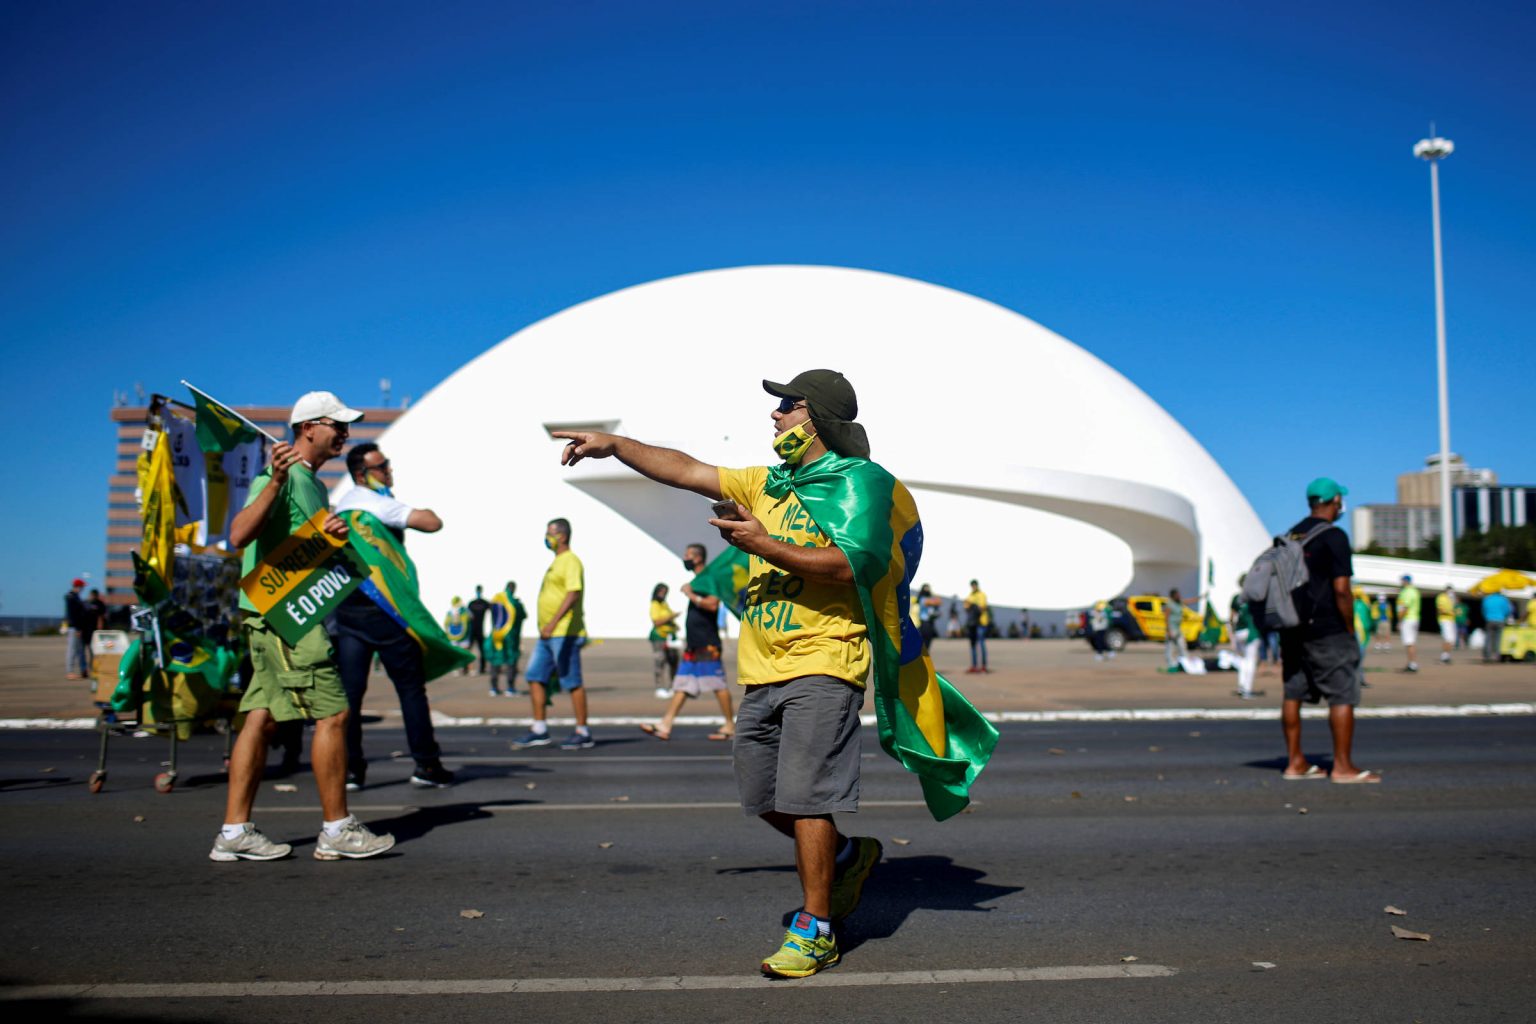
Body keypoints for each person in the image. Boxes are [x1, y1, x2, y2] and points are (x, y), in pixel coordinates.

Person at [550, 369, 894, 979]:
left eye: (786, 406)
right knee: (762, 794)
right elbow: (686, 469)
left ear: (816, 417)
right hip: (761, 668)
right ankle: (845, 855)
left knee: (807, 797)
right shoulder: (769, 483)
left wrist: (766, 547)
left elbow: (852, 566)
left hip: (825, 657)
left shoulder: (859, 483)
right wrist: (617, 447)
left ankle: (816, 930)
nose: (775, 415)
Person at [210, 391, 395, 861]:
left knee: (261, 716)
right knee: (333, 714)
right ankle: (336, 828)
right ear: (309, 426)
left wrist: (326, 538)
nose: (346, 434)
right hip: (285, 616)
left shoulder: (310, 482)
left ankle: (234, 834)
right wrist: (273, 481)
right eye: (338, 425)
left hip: (276, 612)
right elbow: (237, 534)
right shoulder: (287, 473)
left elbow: (296, 547)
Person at [332, 442, 454, 791]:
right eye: (382, 467)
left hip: (349, 612)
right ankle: (426, 765)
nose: (388, 471)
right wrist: (417, 509)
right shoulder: (375, 503)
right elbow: (432, 523)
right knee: (411, 692)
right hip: (386, 612)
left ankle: (352, 769)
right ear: (362, 474)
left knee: (350, 696)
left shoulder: (342, 506)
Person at [1278, 478, 1380, 784]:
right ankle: (1343, 767)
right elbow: (1340, 589)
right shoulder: (1334, 536)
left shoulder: (1288, 536)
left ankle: (1295, 763)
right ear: (1335, 500)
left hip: (1292, 628)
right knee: (1341, 696)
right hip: (1327, 629)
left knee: (1293, 695)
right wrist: (1348, 626)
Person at [641, 543, 737, 741]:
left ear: (698, 558)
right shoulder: (699, 580)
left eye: (688, 555)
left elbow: (713, 604)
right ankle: (665, 724)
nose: (685, 558)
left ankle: (730, 725)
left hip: (707, 644)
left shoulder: (707, 579)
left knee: (718, 685)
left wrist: (691, 594)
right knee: (682, 684)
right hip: (694, 644)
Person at [512, 518, 593, 750]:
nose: (547, 538)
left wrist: (553, 622)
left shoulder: (570, 561)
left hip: (564, 633)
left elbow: (573, 593)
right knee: (535, 677)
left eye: (550, 533)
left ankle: (583, 731)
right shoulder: (556, 562)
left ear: (562, 536)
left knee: (572, 680)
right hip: (547, 635)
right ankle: (539, 729)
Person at [486, 582, 527, 695]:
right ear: (514, 589)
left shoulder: (496, 601)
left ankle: (494, 688)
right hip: (511, 638)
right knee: (511, 661)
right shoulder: (515, 603)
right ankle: (510, 687)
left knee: (496, 660)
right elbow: (524, 616)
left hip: (496, 636)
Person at [1230, 583, 1261, 698]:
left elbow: (1232, 616)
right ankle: (1247, 690)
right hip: (1251, 631)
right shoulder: (1256, 597)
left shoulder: (1236, 598)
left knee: (1242, 660)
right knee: (1251, 661)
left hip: (1239, 631)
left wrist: (1232, 631)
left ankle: (1241, 686)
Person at [649, 583, 680, 699]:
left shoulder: (664, 604)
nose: (663, 594)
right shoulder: (655, 605)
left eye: (665, 592)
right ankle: (659, 687)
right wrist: (671, 617)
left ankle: (673, 685)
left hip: (670, 636)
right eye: (661, 592)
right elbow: (656, 621)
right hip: (659, 637)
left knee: (673, 661)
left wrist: (674, 625)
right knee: (660, 661)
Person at [63, 579, 91, 680]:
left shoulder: (76, 597)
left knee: (81, 650)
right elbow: (74, 615)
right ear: (78, 586)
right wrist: (78, 628)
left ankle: (84, 670)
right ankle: (69, 671)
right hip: (75, 628)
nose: (83, 589)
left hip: (79, 627)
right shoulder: (72, 598)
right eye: (82, 587)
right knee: (73, 650)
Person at [963, 579, 990, 673]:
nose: (973, 587)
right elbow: (965, 606)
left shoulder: (982, 595)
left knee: (981, 643)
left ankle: (983, 666)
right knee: (973, 645)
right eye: (972, 585)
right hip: (973, 623)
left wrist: (972, 605)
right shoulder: (970, 595)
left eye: (974, 585)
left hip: (981, 622)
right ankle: (974, 665)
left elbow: (983, 607)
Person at [1397, 574, 1422, 673]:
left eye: (1402, 580)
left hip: (1408, 619)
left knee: (1409, 642)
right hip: (1414, 618)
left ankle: (1412, 664)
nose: (1401, 582)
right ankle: (1411, 663)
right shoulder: (1415, 591)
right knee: (1411, 642)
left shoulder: (1407, 592)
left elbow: (1405, 607)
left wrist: (1399, 621)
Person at [1480, 589, 1512, 664]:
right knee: (1498, 638)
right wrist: (1504, 617)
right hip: (1500, 620)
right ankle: (1497, 656)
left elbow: (1483, 610)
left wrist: (1486, 617)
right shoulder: (1503, 599)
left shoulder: (1487, 598)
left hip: (1489, 620)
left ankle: (1487, 656)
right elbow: (1507, 610)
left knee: (1488, 638)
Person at [466, 585, 492, 676]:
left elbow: (494, 611)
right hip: (472, 630)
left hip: (480, 630)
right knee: (468, 649)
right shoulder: (471, 603)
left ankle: (482, 668)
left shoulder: (485, 603)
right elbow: (465, 616)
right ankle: (466, 668)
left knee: (482, 650)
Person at [1164, 588, 1188, 671]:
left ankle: (1185, 663)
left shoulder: (1179, 603)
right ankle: (1171, 664)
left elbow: (1188, 601)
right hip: (1172, 629)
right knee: (1170, 648)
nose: (1179, 596)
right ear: (1173, 596)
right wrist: (1168, 630)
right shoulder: (1169, 604)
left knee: (1182, 646)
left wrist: (1201, 598)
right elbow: (1166, 618)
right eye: (1177, 594)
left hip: (1178, 629)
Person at [1435, 586, 1458, 664]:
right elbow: (1440, 610)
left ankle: (1447, 655)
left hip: (1451, 620)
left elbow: (1454, 607)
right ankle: (1444, 656)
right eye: (1449, 591)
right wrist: (1450, 613)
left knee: (1452, 639)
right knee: (1447, 638)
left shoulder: (1451, 598)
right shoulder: (1441, 597)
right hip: (1444, 620)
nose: (1451, 593)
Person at [915, 584, 941, 653]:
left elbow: (938, 602)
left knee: (929, 639)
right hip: (924, 622)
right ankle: (923, 653)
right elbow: (937, 602)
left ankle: (925, 653)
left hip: (930, 621)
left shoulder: (929, 598)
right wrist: (934, 595)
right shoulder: (922, 599)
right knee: (925, 639)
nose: (927, 590)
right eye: (926, 589)